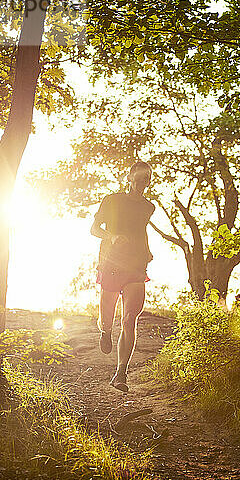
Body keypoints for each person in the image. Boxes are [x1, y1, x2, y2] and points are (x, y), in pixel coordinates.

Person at [90, 160, 155, 392]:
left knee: (129, 319)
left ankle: (121, 373)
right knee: (107, 316)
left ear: (149, 181)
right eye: (137, 179)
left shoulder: (149, 207)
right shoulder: (112, 200)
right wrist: (112, 236)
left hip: (136, 265)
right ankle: (105, 330)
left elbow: (140, 230)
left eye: (145, 180)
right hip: (111, 262)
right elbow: (94, 229)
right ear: (129, 178)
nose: (141, 184)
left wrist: (147, 251)